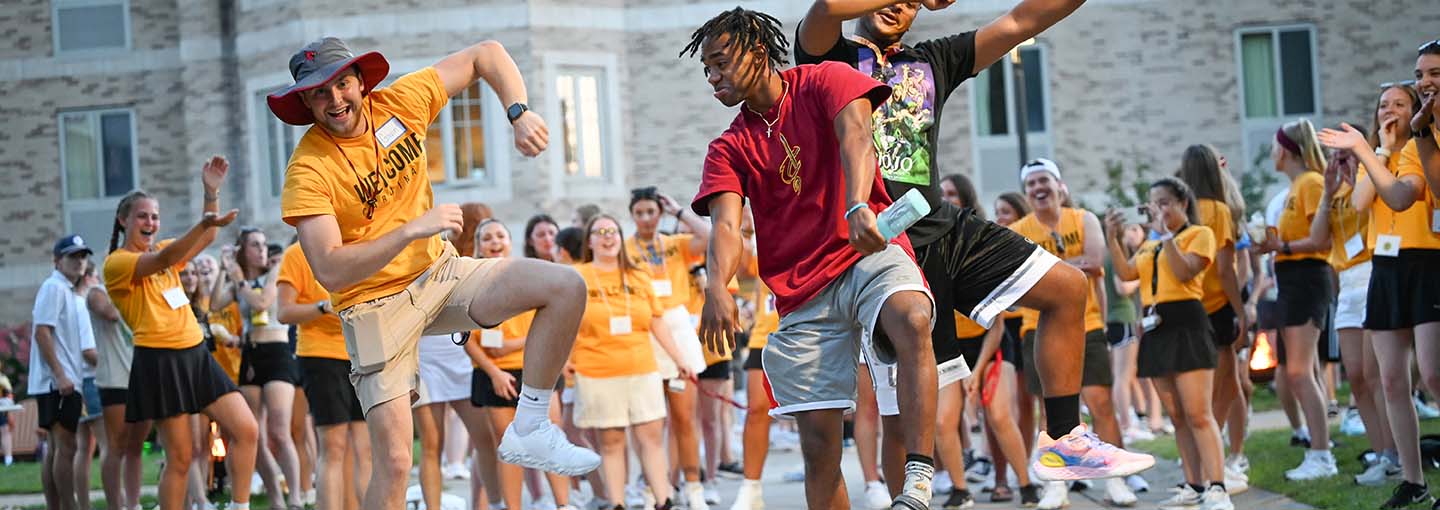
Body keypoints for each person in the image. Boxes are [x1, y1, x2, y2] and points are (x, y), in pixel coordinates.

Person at [793, 0, 1150, 497]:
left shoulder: (934, 59)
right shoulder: (826, 56)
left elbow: (1022, 21)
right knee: (905, 418)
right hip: (880, 250)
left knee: (1068, 289)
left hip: (943, 229)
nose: (897, 6)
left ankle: (1064, 437)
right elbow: (829, 6)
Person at [270, 36, 599, 507]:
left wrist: (518, 112)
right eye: (320, 93)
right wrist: (410, 231)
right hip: (372, 305)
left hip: (439, 277)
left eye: (342, 84)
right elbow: (330, 269)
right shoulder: (308, 169)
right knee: (397, 461)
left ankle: (530, 423)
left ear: (360, 81)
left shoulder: (401, 102)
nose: (336, 100)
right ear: (305, 100)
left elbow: (486, 54)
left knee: (565, 285)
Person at [103, 158, 259, 510]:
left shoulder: (164, 251)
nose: (150, 222)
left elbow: (209, 234)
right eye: (142, 216)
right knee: (181, 457)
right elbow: (167, 257)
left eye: (155, 216)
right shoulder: (117, 263)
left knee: (247, 429)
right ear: (124, 220)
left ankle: (239, 505)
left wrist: (210, 193)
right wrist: (202, 222)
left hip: (196, 356)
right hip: (159, 361)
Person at [1318, 82, 1440, 509]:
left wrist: (1375, 152)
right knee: (1390, 380)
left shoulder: (1426, 146)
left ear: (1417, 108)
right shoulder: (1383, 152)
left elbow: (1403, 197)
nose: (1390, 110)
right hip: (1385, 269)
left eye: (1400, 104)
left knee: (1433, 373)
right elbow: (1362, 200)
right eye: (1384, 104)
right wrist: (1379, 149)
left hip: (1426, 262)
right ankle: (1413, 480)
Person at [1007, 158, 1134, 508]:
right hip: (1038, 328)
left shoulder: (1084, 219)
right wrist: (1066, 268)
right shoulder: (1019, 229)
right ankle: (1057, 485)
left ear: (1060, 186)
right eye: (1031, 183)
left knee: (1101, 403)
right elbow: (1019, 281)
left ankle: (1115, 480)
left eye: (1044, 180)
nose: (1038, 188)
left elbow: (1094, 262)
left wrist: (1043, 271)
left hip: (1087, 323)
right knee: (1049, 414)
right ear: (1027, 193)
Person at [1105, 178, 1232, 510]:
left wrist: (1165, 235)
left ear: (1182, 204)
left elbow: (1186, 271)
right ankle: (1194, 484)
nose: (1157, 210)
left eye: (1164, 203)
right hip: (1155, 326)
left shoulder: (1198, 235)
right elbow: (1127, 274)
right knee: (1176, 415)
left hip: (1187, 323)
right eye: (1153, 204)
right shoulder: (1150, 244)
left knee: (1198, 413)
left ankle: (1217, 487)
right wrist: (1113, 239)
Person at [572, 215, 691, 510]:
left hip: (642, 368)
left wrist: (678, 358)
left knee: (651, 438)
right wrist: (563, 361)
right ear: (590, 241)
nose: (607, 237)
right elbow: (564, 324)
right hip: (597, 370)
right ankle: (617, 503)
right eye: (599, 232)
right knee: (611, 443)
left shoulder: (638, 275)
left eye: (612, 231)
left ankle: (664, 500)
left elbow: (657, 322)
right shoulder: (577, 276)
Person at [1254, 119, 1340, 481]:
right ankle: (1320, 450)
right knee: (1304, 372)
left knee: (1300, 372)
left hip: (1307, 278)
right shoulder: (1295, 187)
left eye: (1274, 147)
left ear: (1286, 151)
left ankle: (1321, 455)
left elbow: (1321, 241)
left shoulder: (1310, 183)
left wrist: (1281, 246)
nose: (1272, 153)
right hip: (1293, 279)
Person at [468, 219, 575, 510]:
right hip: (494, 374)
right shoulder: (469, 281)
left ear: (510, 240)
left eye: (500, 235)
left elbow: (551, 320)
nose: (494, 242)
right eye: (487, 238)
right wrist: (494, 371)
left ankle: (564, 505)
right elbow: (465, 338)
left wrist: (518, 344)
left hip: (536, 368)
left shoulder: (528, 273)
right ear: (478, 246)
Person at [624, 186, 713, 509]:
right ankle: (652, 489)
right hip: (643, 329)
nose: (646, 218)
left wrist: (679, 212)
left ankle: (694, 488)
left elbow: (710, 236)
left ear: (659, 214)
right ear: (632, 216)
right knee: (649, 422)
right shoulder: (625, 249)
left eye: (651, 212)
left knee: (684, 419)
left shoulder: (675, 245)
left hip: (677, 327)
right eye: (640, 213)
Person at [1175, 144, 1252, 489]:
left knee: (1229, 384)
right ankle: (1212, 459)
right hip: (1215, 306)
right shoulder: (1217, 209)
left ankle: (1220, 454)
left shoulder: (1182, 210)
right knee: (1218, 388)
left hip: (1187, 306)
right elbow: (1225, 267)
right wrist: (1240, 311)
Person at [212, 228, 306, 508]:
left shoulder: (275, 271)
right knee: (254, 432)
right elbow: (215, 303)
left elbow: (263, 301)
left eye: (264, 244)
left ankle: (297, 497)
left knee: (279, 430)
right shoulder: (239, 281)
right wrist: (222, 267)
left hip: (277, 353)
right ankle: (275, 497)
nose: (262, 249)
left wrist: (238, 279)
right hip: (251, 355)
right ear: (244, 250)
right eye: (255, 245)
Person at [276, 239, 373, 510]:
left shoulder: (358, 245)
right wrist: (322, 307)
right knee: (333, 447)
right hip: (321, 356)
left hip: (363, 354)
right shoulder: (296, 254)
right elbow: (283, 312)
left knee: (365, 450)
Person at [32, 234, 99, 510]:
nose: (79, 262)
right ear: (57, 261)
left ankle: (56, 507)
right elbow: (42, 332)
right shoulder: (55, 287)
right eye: (72, 256)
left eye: (83, 256)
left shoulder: (66, 291)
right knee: (66, 446)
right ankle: (68, 507)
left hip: (62, 381)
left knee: (57, 447)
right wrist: (60, 375)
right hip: (57, 382)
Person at [88, 249, 145, 510]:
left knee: (136, 446)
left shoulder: (141, 291)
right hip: (114, 379)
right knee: (116, 445)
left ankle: (133, 504)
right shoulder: (97, 292)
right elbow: (111, 313)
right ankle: (115, 506)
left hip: (143, 375)